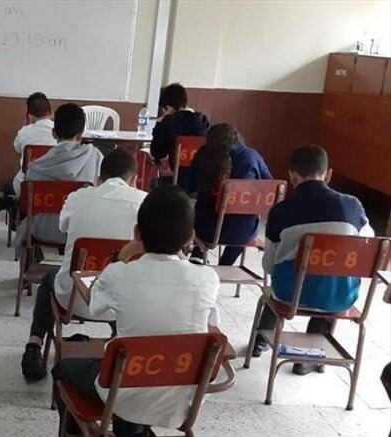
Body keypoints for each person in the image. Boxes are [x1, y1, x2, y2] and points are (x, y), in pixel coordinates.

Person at [33, 185, 220, 437]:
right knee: (132, 362)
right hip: (184, 398)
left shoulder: (119, 274)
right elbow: (211, 325)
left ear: (136, 232)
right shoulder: (207, 278)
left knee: (64, 369)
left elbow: (96, 307)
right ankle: (132, 429)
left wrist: (121, 258)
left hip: (121, 392)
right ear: (190, 239)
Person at [21, 149, 147, 381]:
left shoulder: (78, 197)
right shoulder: (145, 203)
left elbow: (64, 228)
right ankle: (118, 347)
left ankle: (34, 344)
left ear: (99, 177)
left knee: (49, 281)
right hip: (120, 306)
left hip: (73, 299)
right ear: (134, 179)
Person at [252, 145, 373, 375]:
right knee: (330, 283)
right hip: (341, 297)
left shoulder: (282, 211)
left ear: (292, 176)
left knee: (275, 285)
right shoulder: (353, 207)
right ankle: (308, 357)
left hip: (289, 295)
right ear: (328, 174)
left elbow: (269, 265)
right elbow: (368, 247)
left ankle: (260, 342)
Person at [12, 103, 102, 250]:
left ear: (53, 133)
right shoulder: (96, 158)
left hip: (42, 230)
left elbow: (25, 201)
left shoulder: (35, 167)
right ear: (81, 134)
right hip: (80, 230)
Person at [192, 134, 272, 266]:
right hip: (244, 232)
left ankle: (198, 252)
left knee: (202, 205)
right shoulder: (252, 156)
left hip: (206, 230)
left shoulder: (206, 155)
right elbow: (269, 186)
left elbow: (191, 186)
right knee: (242, 224)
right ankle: (225, 264)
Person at [0, 92, 56, 216]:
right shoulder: (59, 132)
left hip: (26, 186)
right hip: (54, 188)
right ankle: (14, 203)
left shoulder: (24, 132)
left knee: (8, 187)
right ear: (51, 113)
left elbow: (17, 149)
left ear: (30, 116)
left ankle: (17, 218)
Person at [149, 83, 210, 192]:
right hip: (203, 183)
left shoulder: (169, 121)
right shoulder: (203, 121)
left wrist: (159, 124)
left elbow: (157, 153)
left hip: (178, 181)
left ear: (168, 108)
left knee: (155, 182)